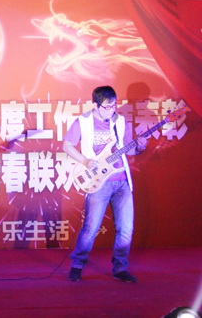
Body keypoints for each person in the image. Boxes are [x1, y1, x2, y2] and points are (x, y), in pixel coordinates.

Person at [63, 85, 147, 283]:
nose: (111, 110)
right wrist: (85, 161)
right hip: (97, 181)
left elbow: (129, 150)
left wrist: (140, 146)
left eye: (114, 106)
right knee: (90, 228)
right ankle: (77, 265)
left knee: (126, 228)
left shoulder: (121, 121)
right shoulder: (83, 122)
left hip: (122, 181)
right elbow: (67, 145)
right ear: (96, 105)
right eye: (107, 107)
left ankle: (120, 268)